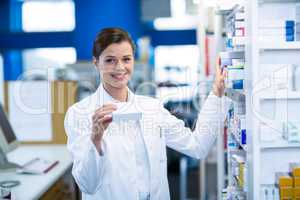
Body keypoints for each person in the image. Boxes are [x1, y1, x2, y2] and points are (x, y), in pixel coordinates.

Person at [64, 27, 229, 200]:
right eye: (110, 60)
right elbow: (87, 185)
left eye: (126, 59)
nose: (120, 67)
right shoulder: (80, 114)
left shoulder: (152, 108)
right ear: (96, 62)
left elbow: (197, 146)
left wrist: (217, 93)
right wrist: (95, 139)